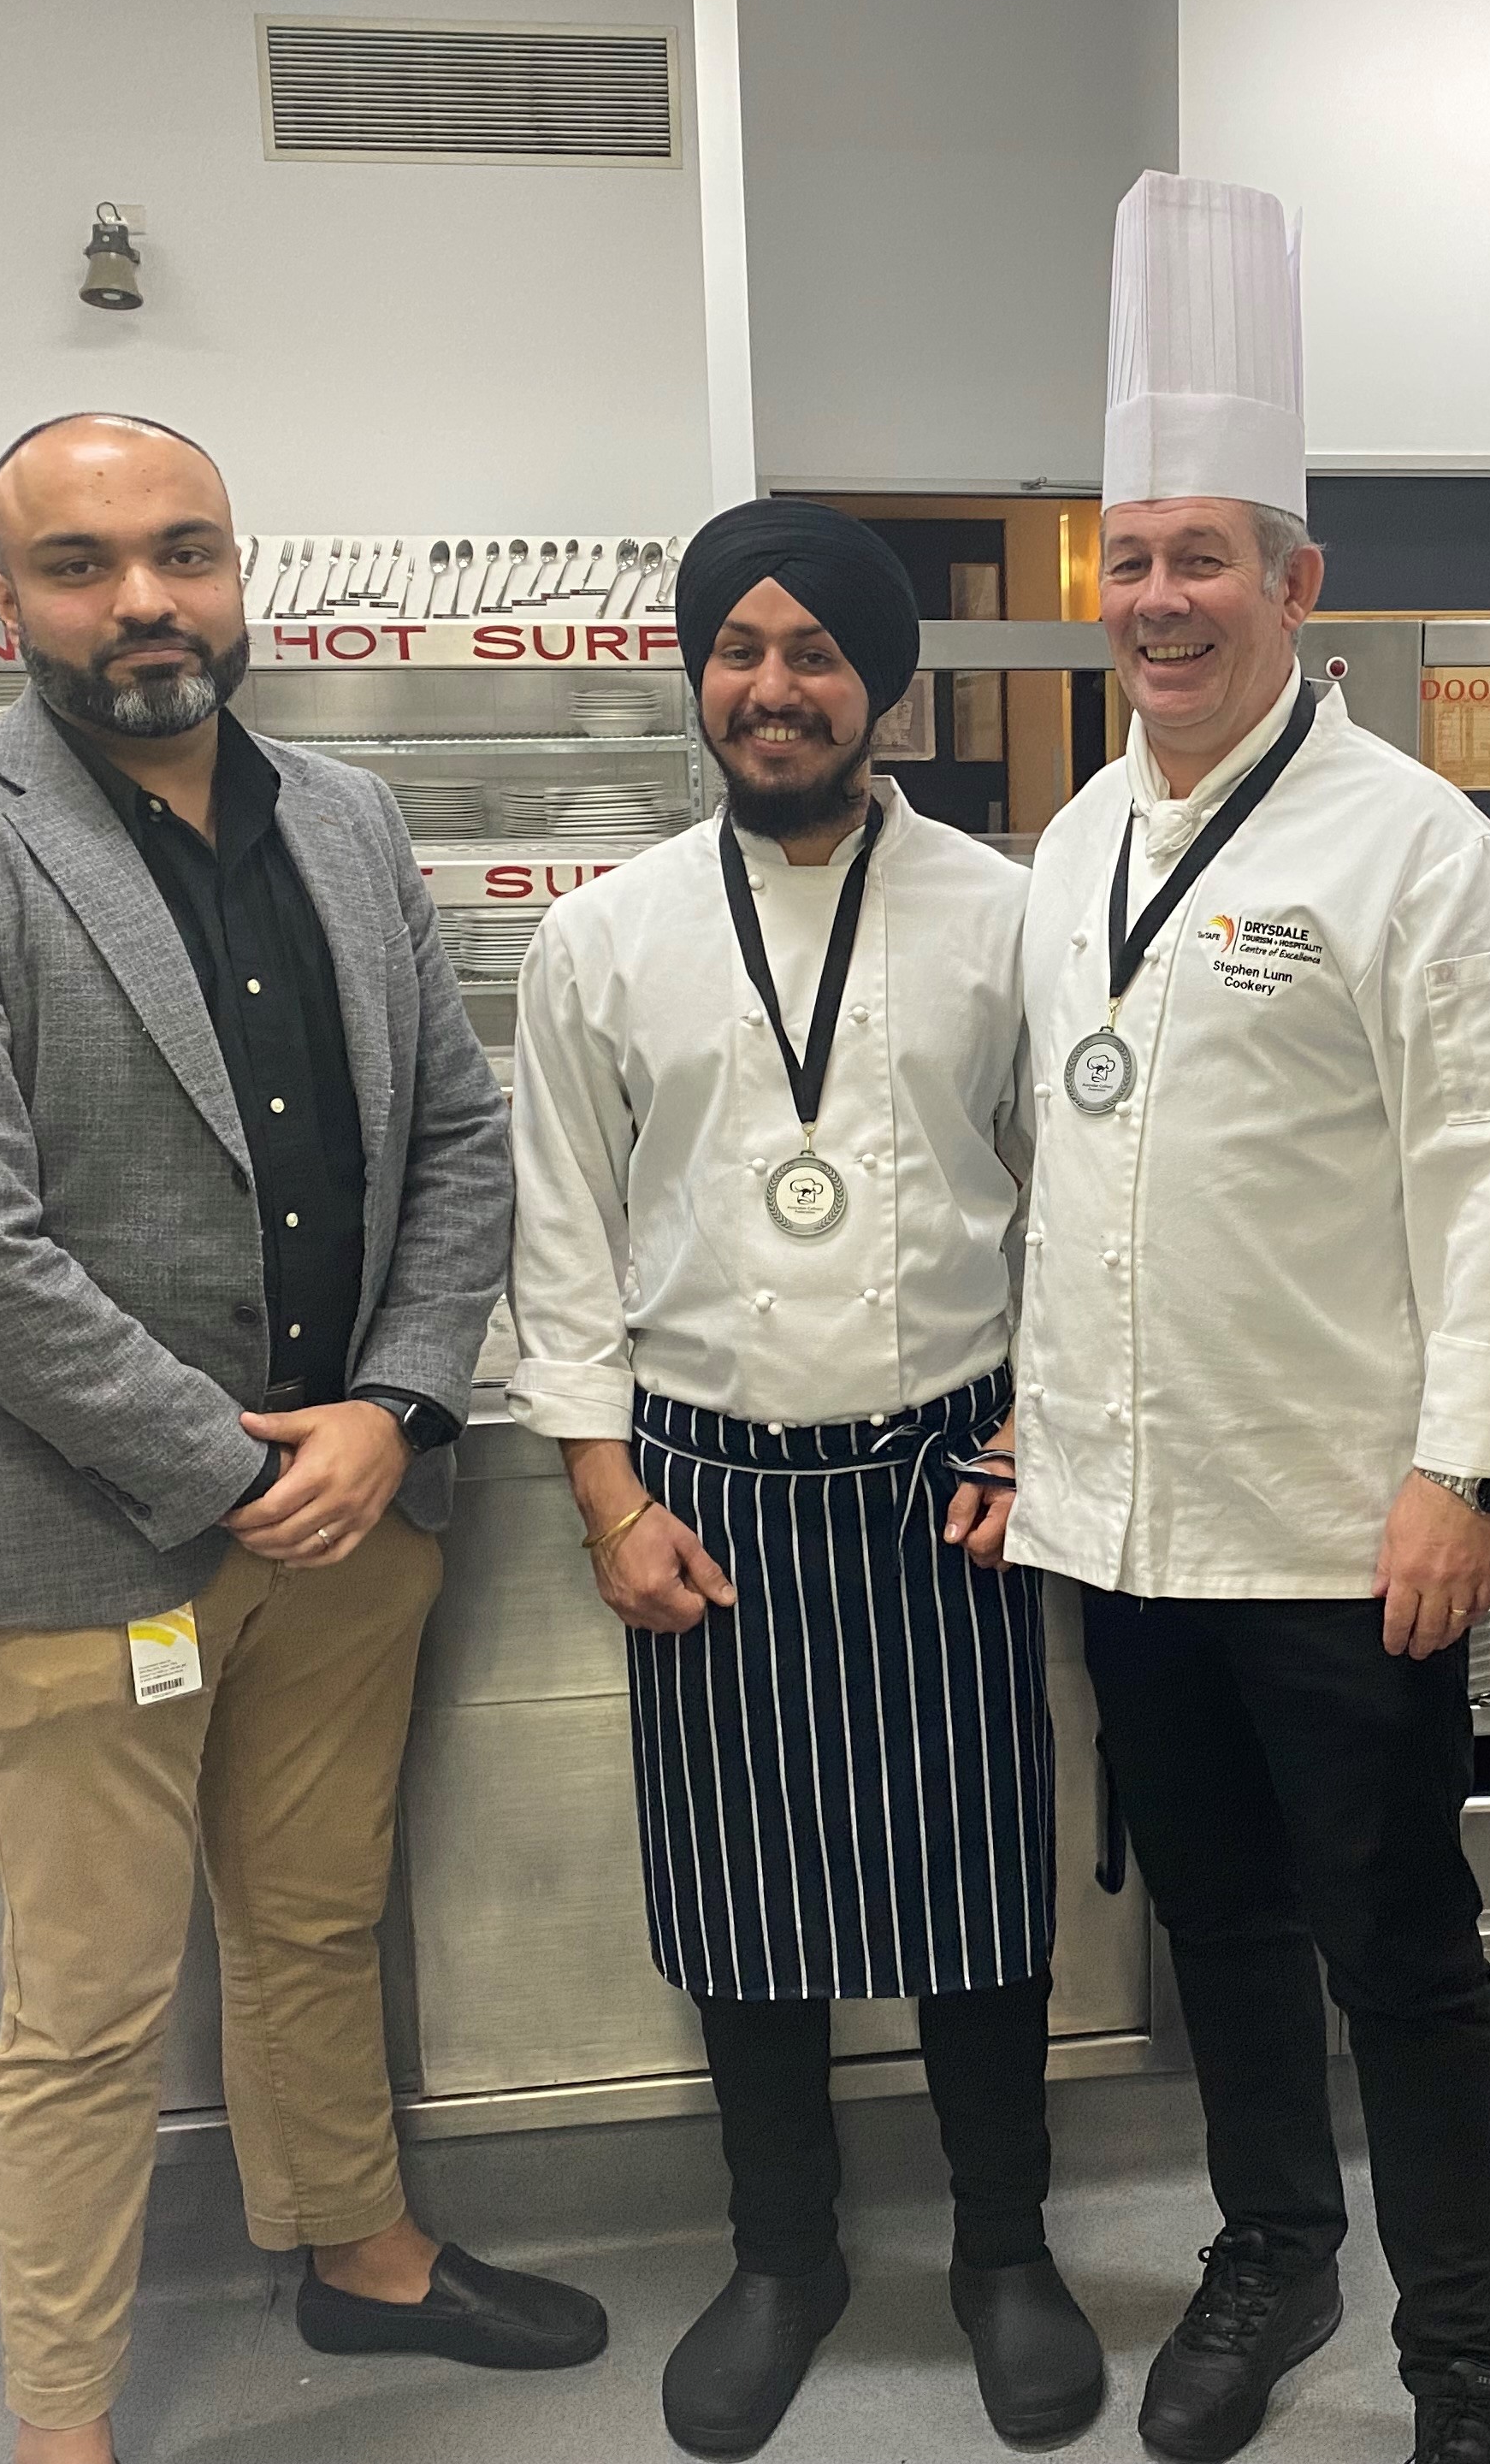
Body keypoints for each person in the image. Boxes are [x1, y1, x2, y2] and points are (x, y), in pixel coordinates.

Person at [0, 412, 606, 2464]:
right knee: (84, 2011)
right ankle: (60, 2422)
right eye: (81, 565)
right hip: (91, 1538)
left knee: (315, 1919)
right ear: (8, 602)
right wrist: (237, 1464)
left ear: (242, 573)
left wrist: (397, 1407)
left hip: (362, 1509)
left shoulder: (345, 819)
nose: (141, 600)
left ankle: (362, 2254)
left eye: (182, 552)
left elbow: (454, 1141)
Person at [1010, 172, 1490, 2464]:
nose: (1158, 601)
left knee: (1404, 1955)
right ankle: (1274, 2261)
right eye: (1128, 560)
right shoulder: (1068, 849)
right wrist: (1033, 1450)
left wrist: (1463, 1474)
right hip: (1127, 1531)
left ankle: (1466, 2361)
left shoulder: (1410, 843)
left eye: (1201, 556)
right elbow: (1073, 1183)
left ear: (1295, 583)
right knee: (1214, 1936)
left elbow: (1485, 1177)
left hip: (1349, 1533)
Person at [506, 499, 1102, 2457]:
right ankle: (784, 2254)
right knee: (744, 1897)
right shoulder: (602, 939)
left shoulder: (1011, 916)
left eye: (818, 651)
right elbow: (561, 1246)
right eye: (742, 649)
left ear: (886, 686)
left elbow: (1076, 1218)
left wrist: (1041, 1433)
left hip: (949, 1475)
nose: (777, 686)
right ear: (697, 678)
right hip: (706, 1496)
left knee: (975, 1889)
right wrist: (606, 1500)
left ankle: (1003, 2252)